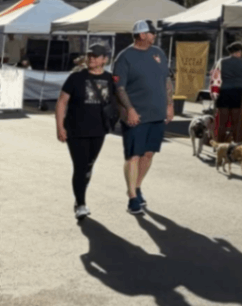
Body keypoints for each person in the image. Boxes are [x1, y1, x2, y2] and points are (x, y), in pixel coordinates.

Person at [113, 20, 173, 215]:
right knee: (134, 155)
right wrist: (129, 109)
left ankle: (137, 187)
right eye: (151, 33)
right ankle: (132, 198)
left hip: (156, 114)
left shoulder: (158, 53)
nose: (154, 35)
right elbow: (119, 87)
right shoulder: (125, 57)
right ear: (141, 35)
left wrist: (170, 104)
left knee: (148, 154)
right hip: (136, 115)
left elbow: (166, 79)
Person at [54, 43, 119, 220]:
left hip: (99, 130)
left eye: (96, 56)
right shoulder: (76, 78)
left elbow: (117, 100)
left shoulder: (110, 79)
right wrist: (60, 127)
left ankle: (80, 194)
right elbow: (61, 102)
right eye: (90, 55)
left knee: (89, 166)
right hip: (76, 130)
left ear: (105, 59)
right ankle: (81, 203)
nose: (92, 58)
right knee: (80, 167)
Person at [213, 41, 242, 142]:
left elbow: (215, 77)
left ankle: (219, 145)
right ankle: (235, 146)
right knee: (236, 123)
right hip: (238, 94)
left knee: (222, 123)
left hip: (223, 93)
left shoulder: (221, 61)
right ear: (239, 51)